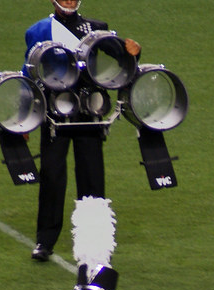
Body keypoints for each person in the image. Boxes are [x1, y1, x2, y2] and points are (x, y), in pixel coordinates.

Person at [24, 0, 140, 261]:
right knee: (52, 176)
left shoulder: (96, 28)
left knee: (92, 175)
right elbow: (29, 72)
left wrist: (135, 50)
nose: (68, 1)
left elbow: (122, 55)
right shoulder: (38, 30)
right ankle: (45, 240)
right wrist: (25, 116)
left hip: (89, 110)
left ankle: (94, 238)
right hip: (55, 112)